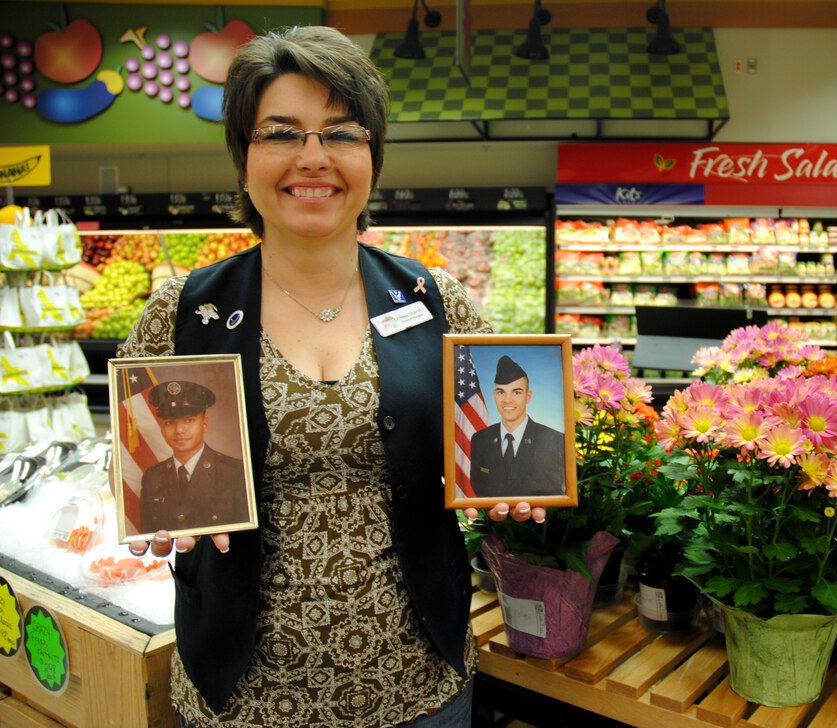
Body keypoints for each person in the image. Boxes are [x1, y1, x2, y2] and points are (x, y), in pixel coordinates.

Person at [118, 25, 542, 728]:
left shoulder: (434, 301)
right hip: (239, 698)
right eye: (281, 133)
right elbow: (135, 454)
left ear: (372, 157)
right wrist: (143, 499)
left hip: (418, 685)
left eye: (341, 134)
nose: (312, 158)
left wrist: (519, 481)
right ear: (244, 157)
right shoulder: (182, 311)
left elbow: (498, 436)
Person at [138, 380, 249, 534]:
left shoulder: (234, 472)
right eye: (170, 423)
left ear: (204, 424)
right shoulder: (152, 477)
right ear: (162, 428)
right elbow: (148, 534)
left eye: (189, 420)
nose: (179, 430)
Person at [469, 355, 566, 498]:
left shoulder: (554, 440)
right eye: (501, 392)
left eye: (516, 392)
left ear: (528, 396)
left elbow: (555, 490)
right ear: (494, 395)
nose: (507, 400)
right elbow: (478, 486)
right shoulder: (480, 439)